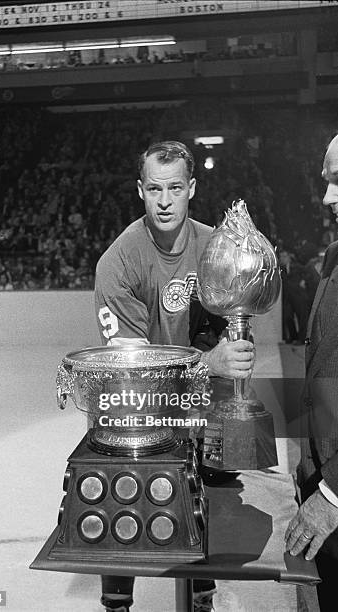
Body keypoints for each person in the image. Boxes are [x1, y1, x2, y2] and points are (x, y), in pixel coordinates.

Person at [95, 141, 255, 612]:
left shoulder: (217, 250)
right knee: (123, 487)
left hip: (202, 403)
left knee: (210, 496)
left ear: (191, 190)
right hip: (137, 409)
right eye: (155, 189)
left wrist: (235, 353)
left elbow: (236, 333)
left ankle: (202, 595)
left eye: (175, 188)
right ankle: (117, 602)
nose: (165, 201)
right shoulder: (118, 262)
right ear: (140, 191)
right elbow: (134, 374)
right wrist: (209, 363)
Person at [285, 134, 338, 611]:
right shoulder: (333, 256)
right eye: (326, 183)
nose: (327, 198)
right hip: (316, 476)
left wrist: (333, 493)